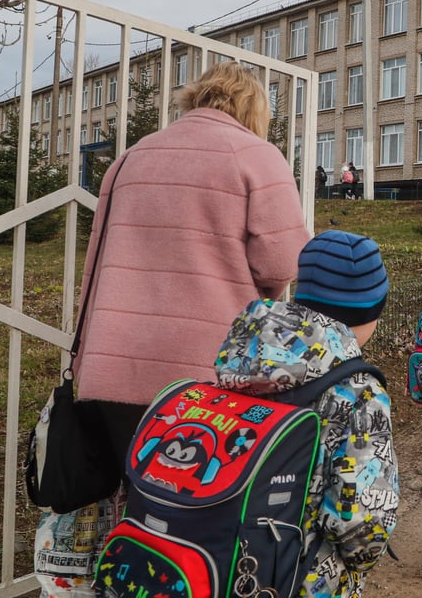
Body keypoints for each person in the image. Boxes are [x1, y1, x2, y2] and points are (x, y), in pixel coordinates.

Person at [72, 60, 312, 475]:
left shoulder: (131, 157)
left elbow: (97, 260)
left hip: (114, 365)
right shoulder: (256, 155)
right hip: (207, 374)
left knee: (130, 507)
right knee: (194, 513)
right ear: (254, 108)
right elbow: (282, 264)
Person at [216, 230, 398, 598]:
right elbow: (362, 522)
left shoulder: (243, 359)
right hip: (299, 578)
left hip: (221, 559)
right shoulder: (360, 394)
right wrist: (361, 562)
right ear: (370, 311)